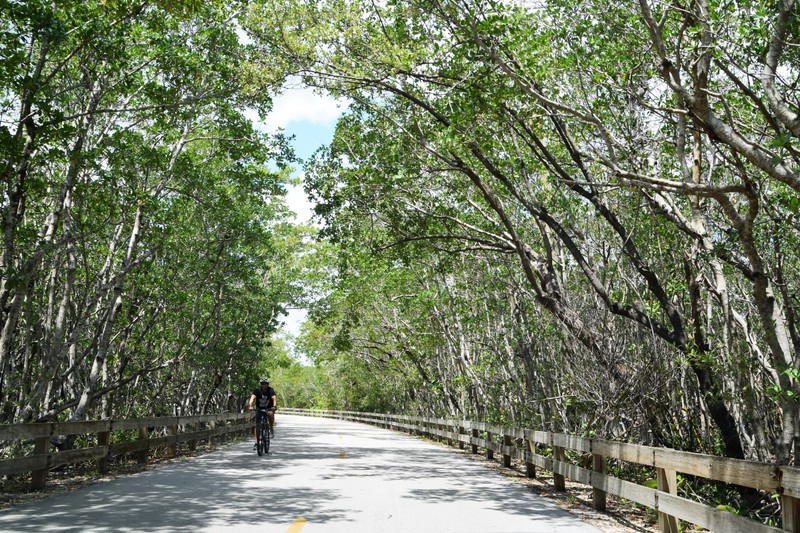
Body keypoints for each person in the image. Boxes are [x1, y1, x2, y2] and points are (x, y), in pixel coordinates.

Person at [248, 378, 277, 448]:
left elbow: (274, 398)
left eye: (265, 384)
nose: (263, 385)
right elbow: (252, 398)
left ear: (267, 384)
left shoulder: (270, 390)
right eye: (262, 384)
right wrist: (250, 406)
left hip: (268, 408)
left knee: (270, 414)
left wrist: (274, 406)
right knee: (257, 425)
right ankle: (256, 441)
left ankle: (271, 428)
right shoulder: (257, 390)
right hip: (259, 409)